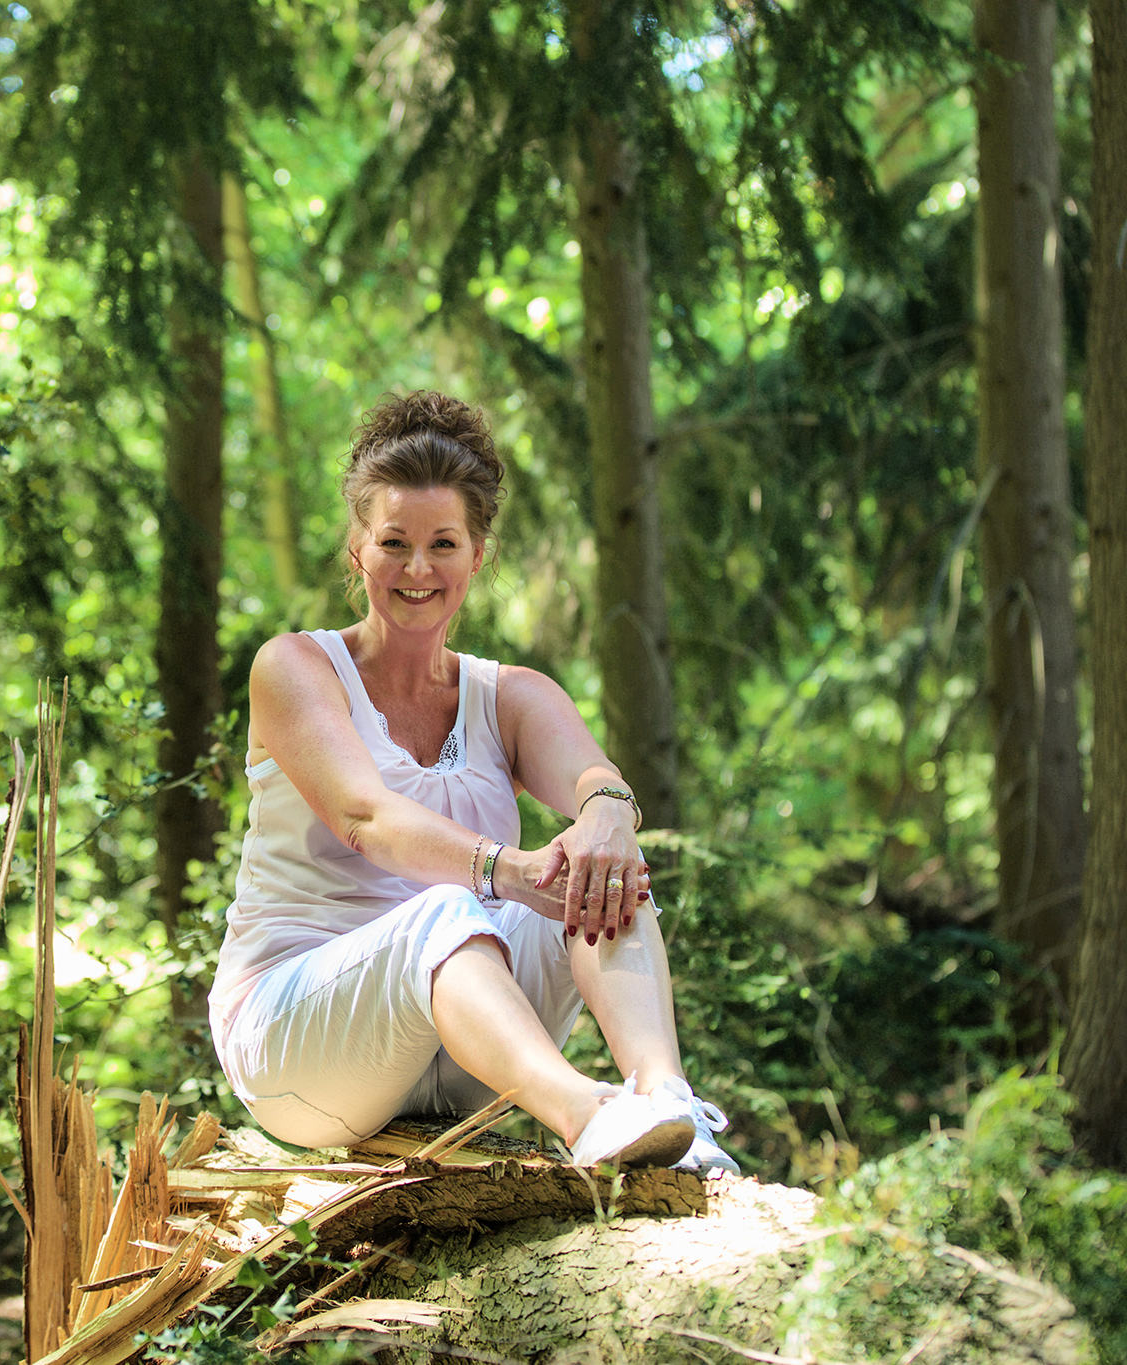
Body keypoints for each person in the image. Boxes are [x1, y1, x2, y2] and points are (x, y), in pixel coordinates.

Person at [208, 391, 736, 1173]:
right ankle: (586, 1117)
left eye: (444, 544)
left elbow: (598, 779)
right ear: (358, 549)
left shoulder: (508, 693)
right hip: (298, 1045)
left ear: (477, 555)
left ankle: (665, 1103)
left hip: (468, 1045)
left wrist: (606, 819)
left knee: (603, 873)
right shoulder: (296, 667)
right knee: (450, 909)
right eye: (394, 542)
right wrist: (514, 872)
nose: (418, 568)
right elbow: (368, 817)